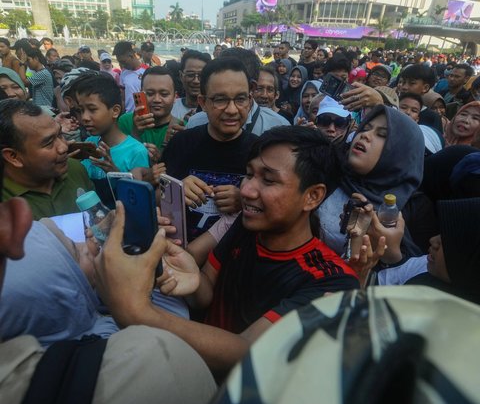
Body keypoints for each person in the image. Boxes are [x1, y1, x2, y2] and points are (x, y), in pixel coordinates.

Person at [93, 126, 367, 376]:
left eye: (268, 180)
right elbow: (205, 294)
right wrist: (191, 278)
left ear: (313, 196)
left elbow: (247, 352)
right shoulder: (247, 227)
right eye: (249, 174)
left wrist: (136, 312)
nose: (246, 189)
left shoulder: (333, 282)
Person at [0, 158, 217, 404]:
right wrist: (136, 310)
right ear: (67, 299)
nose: (88, 244)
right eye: (76, 250)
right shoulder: (143, 361)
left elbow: (195, 297)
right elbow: (240, 352)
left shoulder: (95, 304)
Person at [162, 57, 258, 240]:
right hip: (178, 250)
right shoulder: (181, 143)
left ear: (250, 100)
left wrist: (244, 200)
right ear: (203, 102)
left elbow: (268, 207)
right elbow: (159, 193)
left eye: (240, 99)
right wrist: (176, 190)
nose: (231, 109)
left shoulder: (260, 151)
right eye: (220, 100)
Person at [317, 105, 425, 261]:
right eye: (365, 128)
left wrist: (390, 255)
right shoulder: (329, 172)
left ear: (400, 153)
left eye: (382, 135)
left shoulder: (413, 208)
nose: (365, 135)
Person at [0, 100, 94, 220]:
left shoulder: (75, 169)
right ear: (13, 156)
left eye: (60, 134)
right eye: (49, 143)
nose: (64, 147)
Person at [75, 74, 148, 202]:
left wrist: (114, 172)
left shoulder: (136, 151)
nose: (84, 117)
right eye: (81, 110)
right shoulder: (89, 143)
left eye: (92, 109)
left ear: (115, 111)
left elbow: (139, 199)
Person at [118, 66, 182, 155]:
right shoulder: (125, 122)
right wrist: (135, 134)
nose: (157, 99)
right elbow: (117, 159)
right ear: (140, 94)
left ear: (175, 97)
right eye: (150, 94)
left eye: (164, 94)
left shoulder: (180, 129)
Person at [396, 64, 444, 133]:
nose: (404, 87)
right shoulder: (393, 107)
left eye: (411, 83)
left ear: (425, 88)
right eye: (403, 82)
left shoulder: (432, 117)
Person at [171, 50, 210, 123]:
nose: (196, 81)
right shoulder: (170, 108)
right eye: (190, 75)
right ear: (181, 76)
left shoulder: (214, 111)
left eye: (201, 76)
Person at [113, 41, 148, 113]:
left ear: (131, 55)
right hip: (128, 115)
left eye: (123, 61)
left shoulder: (147, 71)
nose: (121, 65)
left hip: (144, 115)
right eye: (119, 62)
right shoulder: (123, 73)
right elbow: (123, 98)